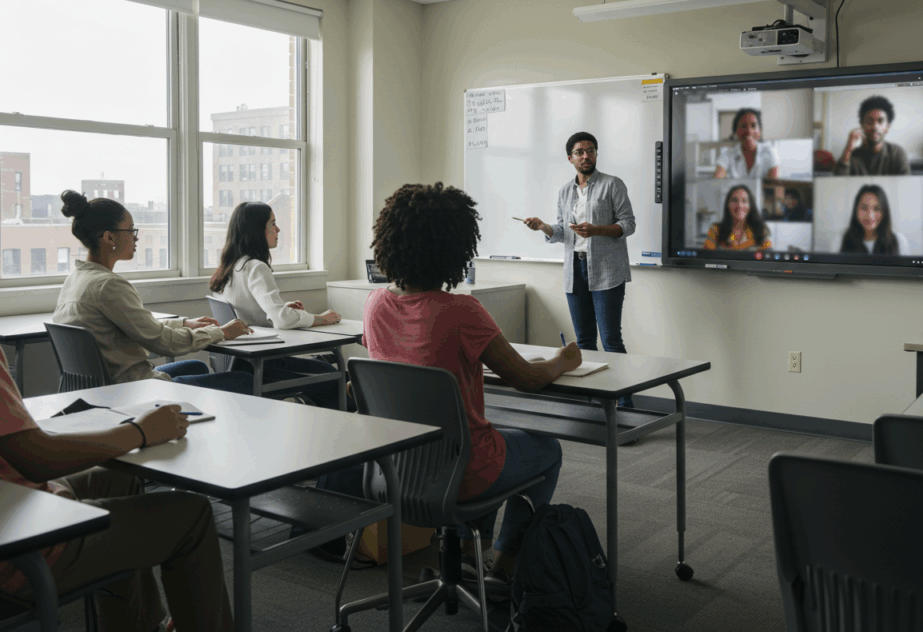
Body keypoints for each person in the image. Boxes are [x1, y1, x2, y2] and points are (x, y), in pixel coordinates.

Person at [365, 182, 582, 601]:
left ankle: (466, 554)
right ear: (456, 248)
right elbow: (527, 379)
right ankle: (504, 565)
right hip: (462, 474)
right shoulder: (462, 311)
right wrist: (561, 361)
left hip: (397, 471)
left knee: (476, 439)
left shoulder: (376, 305)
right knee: (545, 449)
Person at [0, 348, 234, 631]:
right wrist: (140, 432)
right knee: (193, 515)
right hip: (17, 538)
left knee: (117, 478)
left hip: (14, 495)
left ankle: (140, 625)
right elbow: (37, 459)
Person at [53, 190, 253, 393]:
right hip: (128, 390)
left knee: (197, 366)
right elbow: (163, 343)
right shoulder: (108, 286)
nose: (135, 238)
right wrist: (221, 332)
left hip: (98, 386)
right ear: (109, 238)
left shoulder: (75, 280)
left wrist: (184, 323)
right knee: (243, 380)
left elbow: (137, 327)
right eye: (130, 230)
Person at [522, 132, 635, 406]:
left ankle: (625, 403)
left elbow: (628, 224)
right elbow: (562, 231)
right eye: (580, 151)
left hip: (607, 272)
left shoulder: (612, 185)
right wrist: (544, 227)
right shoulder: (565, 191)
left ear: (596, 154)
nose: (586, 156)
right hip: (576, 271)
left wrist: (597, 230)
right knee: (583, 341)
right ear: (570, 157)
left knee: (611, 341)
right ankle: (594, 401)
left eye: (591, 150)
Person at [209, 202, 344, 409]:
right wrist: (321, 319)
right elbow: (282, 320)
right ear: (257, 230)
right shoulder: (255, 267)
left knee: (324, 366)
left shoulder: (230, 267)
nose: (278, 229)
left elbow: (246, 312)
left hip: (238, 362)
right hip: (261, 364)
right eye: (273, 224)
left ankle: (303, 404)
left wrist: (280, 307)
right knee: (332, 373)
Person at [832, 95, 910, 175]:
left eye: (880, 121)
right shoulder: (852, 155)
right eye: (869, 121)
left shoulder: (897, 153)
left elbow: (905, 184)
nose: (875, 127)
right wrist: (848, 149)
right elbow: (838, 182)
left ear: (887, 127)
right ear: (862, 125)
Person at [836, 184, 908, 255]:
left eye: (876, 209)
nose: (870, 216)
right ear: (856, 210)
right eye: (864, 208)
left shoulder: (899, 241)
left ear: (884, 212)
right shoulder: (840, 240)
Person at [713, 109, 780, 180]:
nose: (749, 131)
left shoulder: (770, 152)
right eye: (743, 126)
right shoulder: (728, 154)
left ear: (760, 131)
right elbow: (717, 181)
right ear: (736, 131)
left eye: (753, 126)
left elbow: (776, 186)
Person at [703, 184, 772, 250]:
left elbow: (768, 260)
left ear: (750, 205)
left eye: (744, 201)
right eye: (734, 200)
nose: (739, 205)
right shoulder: (715, 231)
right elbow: (706, 259)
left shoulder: (761, 232)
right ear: (728, 205)